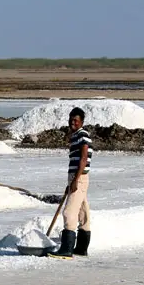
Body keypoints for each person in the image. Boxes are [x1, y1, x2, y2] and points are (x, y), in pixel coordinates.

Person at [49, 108, 92, 259]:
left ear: (81, 122)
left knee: (69, 212)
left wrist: (75, 180)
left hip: (79, 177)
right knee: (82, 212)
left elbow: (84, 158)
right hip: (76, 177)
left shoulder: (82, 135)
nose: (73, 122)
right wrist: (71, 181)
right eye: (71, 119)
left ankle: (66, 249)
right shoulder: (75, 136)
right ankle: (81, 248)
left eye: (76, 120)